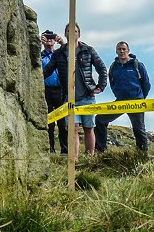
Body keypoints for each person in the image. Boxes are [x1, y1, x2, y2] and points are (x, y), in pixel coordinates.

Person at [43, 23, 108, 155]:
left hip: (87, 96)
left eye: (76, 31)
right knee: (73, 129)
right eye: (69, 31)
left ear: (79, 33)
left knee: (89, 128)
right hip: (69, 97)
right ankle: (75, 160)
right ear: (65, 34)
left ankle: (90, 157)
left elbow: (101, 68)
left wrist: (101, 86)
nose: (73, 33)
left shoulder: (88, 50)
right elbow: (47, 70)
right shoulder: (59, 53)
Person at [95, 41, 152, 152]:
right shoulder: (113, 67)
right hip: (120, 101)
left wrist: (140, 98)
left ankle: (142, 155)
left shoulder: (138, 65)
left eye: (123, 49)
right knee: (100, 119)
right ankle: (101, 151)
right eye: (119, 49)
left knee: (138, 129)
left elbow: (146, 84)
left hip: (136, 102)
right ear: (116, 51)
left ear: (128, 51)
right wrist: (118, 95)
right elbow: (112, 83)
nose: (121, 51)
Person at [40, 30, 68, 154]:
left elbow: (70, 56)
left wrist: (63, 44)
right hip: (45, 90)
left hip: (60, 89)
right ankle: (50, 149)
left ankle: (64, 149)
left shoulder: (60, 54)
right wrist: (37, 41)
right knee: (49, 121)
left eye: (52, 37)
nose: (49, 40)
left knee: (62, 121)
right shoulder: (39, 55)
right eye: (47, 37)